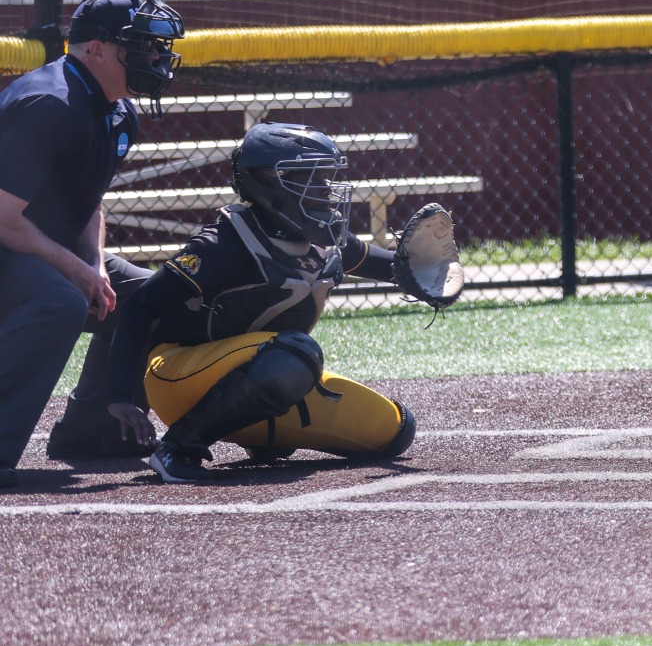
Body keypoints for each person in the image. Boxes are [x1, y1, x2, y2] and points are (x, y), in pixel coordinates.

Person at [102, 124, 429, 482]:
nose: (326, 190)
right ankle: (178, 447)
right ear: (269, 181)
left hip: (271, 365)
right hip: (180, 376)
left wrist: (427, 275)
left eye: (325, 177)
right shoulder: (225, 242)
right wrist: (120, 395)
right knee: (296, 354)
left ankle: (257, 431)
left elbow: (391, 266)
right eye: (311, 179)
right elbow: (140, 306)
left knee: (395, 430)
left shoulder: (326, 235)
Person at [0, 0, 183, 488]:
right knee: (59, 300)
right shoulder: (48, 103)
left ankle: (93, 431)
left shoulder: (118, 111)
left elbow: (87, 198)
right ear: (97, 49)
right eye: (142, 46)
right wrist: (74, 271)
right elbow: (2, 217)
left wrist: (96, 263)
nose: (154, 58)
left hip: (29, 250)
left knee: (152, 294)